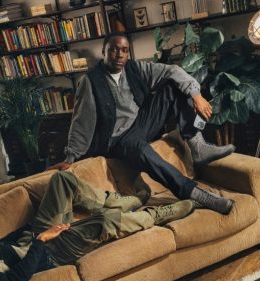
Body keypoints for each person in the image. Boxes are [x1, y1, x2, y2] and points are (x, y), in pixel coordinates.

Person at [0, 172, 196, 281]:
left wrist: (36, 230)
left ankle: (127, 201)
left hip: (36, 236)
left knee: (62, 180)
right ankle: (159, 213)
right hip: (49, 255)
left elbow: (3, 244)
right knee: (106, 220)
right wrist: (41, 241)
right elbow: (16, 278)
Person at [51, 33, 235, 215]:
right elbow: (82, 121)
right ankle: (196, 193)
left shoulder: (134, 68)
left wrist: (196, 95)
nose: (120, 55)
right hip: (117, 140)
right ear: (104, 52)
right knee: (139, 148)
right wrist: (70, 157)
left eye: (124, 50)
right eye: (114, 50)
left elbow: (172, 70)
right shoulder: (90, 81)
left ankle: (198, 146)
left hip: (141, 125)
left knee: (173, 85)